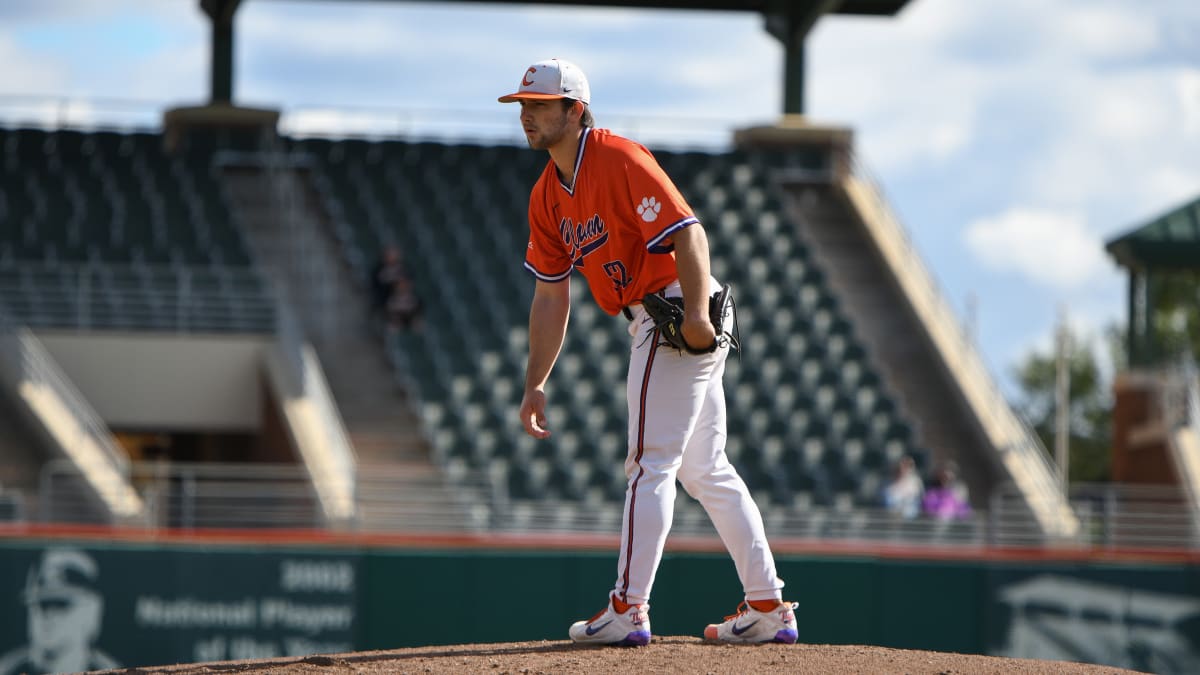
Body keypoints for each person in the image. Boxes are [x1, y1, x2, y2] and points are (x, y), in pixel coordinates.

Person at [500, 58, 797, 646]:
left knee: (649, 464)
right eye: (522, 106)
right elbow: (549, 294)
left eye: (538, 104)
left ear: (574, 109)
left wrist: (691, 316)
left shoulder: (618, 157)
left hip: (673, 309)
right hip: (656, 311)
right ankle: (767, 606)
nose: (527, 115)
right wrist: (536, 381)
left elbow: (689, 232)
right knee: (705, 469)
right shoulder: (546, 197)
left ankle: (628, 607)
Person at [0, 548, 119, 675]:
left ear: (91, 613)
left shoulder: (112, 671)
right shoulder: (7, 669)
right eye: (42, 605)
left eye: (62, 605)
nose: (48, 615)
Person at [881, 454, 924, 519]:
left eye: (908, 466)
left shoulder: (916, 482)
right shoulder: (887, 483)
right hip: (891, 516)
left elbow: (917, 500)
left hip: (909, 516)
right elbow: (886, 501)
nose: (904, 469)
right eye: (902, 466)